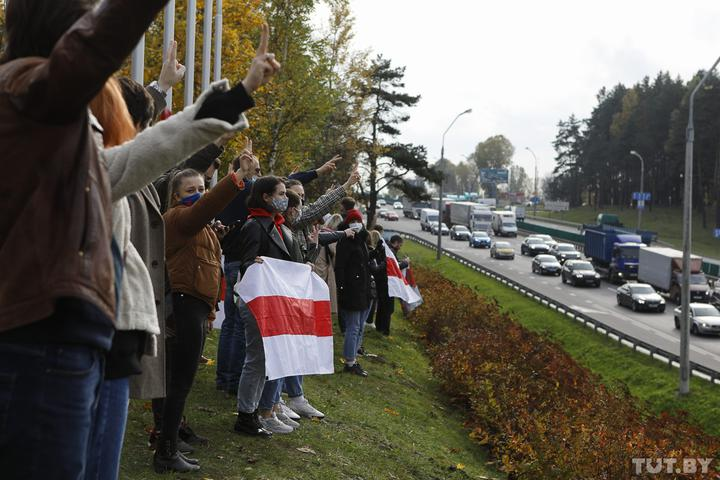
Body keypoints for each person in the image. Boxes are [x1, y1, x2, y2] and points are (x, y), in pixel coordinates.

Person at [0, 1, 170, 477]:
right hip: (48, 336)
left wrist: (224, 106)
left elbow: (138, 152)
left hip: (60, 332)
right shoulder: (34, 93)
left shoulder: (40, 108)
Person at [157, 159, 252, 472]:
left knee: (180, 380)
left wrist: (211, 310)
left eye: (201, 189)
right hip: (184, 304)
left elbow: (206, 263)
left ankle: (170, 444)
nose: (198, 194)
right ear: (175, 196)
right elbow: (207, 208)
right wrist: (236, 177)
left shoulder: (199, 225)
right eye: (190, 190)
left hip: (195, 305)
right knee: (179, 382)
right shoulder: (180, 217)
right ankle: (166, 452)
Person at [233, 176, 296, 436]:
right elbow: (245, 263)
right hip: (257, 300)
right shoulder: (255, 226)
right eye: (281, 193)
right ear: (266, 197)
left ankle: (254, 412)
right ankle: (246, 416)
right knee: (256, 360)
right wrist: (255, 263)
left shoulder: (277, 225)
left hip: (272, 300)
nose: (285, 198)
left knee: (263, 360)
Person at [335, 209, 373, 377]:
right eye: (353, 221)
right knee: (354, 326)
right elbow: (340, 267)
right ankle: (350, 361)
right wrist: (342, 287)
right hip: (352, 290)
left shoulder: (362, 240)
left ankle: (354, 358)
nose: (356, 224)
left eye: (359, 221)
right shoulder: (345, 241)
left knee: (359, 328)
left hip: (363, 289)